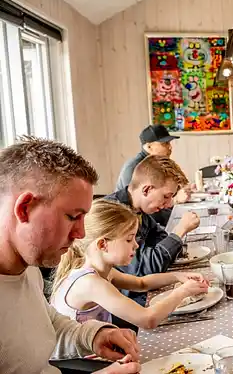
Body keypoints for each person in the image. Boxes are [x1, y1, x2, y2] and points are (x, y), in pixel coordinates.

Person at [0, 136, 141, 374]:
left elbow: (48, 320)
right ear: (24, 208)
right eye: (73, 217)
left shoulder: (27, 265)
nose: (81, 232)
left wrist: (94, 335)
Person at [51, 199, 210, 330]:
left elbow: (141, 283)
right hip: (85, 363)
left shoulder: (101, 271)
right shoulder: (90, 283)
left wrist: (178, 276)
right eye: (129, 239)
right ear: (102, 245)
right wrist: (183, 292)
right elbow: (148, 320)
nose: (136, 245)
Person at [104, 155, 200, 308]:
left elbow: (160, 239)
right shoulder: (114, 215)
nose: (169, 204)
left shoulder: (138, 209)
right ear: (147, 189)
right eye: (166, 196)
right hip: (121, 304)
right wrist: (180, 230)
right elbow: (144, 269)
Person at [115, 124, 181, 226]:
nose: (170, 147)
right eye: (165, 143)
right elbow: (147, 206)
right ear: (149, 146)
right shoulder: (133, 167)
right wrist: (177, 220)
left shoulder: (156, 164)